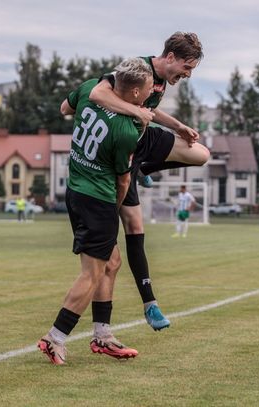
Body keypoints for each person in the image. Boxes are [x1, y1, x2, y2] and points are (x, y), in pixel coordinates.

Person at [62, 32, 209, 332]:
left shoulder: (161, 81)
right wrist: (137, 113)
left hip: (140, 142)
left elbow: (149, 111)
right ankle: (149, 303)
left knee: (201, 154)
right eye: (186, 67)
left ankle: (143, 169)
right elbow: (98, 95)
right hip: (122, 146)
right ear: (170, 57)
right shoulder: (135, 69)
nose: (187, 74)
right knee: (134, 226)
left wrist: (179, 126)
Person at [38, 57, 154, 365]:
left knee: (112, 262)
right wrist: (113, 211)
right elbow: (124, 180)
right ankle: (55, 338)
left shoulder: (91, 88)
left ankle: (103, 335)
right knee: (92, 273)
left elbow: (65, 108)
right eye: (148, 90)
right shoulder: (126, 129)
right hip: (98, 199)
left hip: (75, 190)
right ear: (134, 93)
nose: (150, 95)